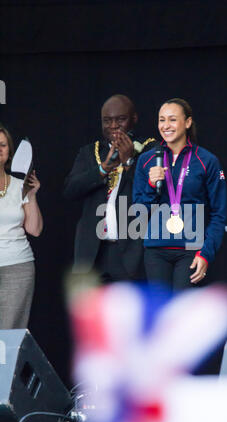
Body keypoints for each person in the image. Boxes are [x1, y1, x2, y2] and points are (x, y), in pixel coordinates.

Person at [133, 98, 227, 290]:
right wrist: (151, 186)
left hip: (192, 249)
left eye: (172, 119)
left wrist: (206, 253)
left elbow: (219, 213)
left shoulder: (206, 160)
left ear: (188, 122)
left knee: (183, 313)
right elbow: (138, 213)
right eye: (161, 120)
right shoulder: (146, 160)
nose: (166, 125)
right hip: (155, 251)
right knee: (161, 314)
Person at [63, 94, 155, 282]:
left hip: (131, 253)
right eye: (107, 120)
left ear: (134, 118)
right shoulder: (90, 152)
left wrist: (129, 162)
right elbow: (70, 190)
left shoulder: (149, 150)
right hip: (92, 254)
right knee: (92, 312)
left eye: (120, 119)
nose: (113, 126)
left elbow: (153, 193)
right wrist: (102, 170)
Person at [0, 125, 43, 329]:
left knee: (9, 334)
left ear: (9, 152)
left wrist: (31, 195)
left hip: (18, 266)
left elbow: (34, 229)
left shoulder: (19, 185)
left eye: (3, 145)